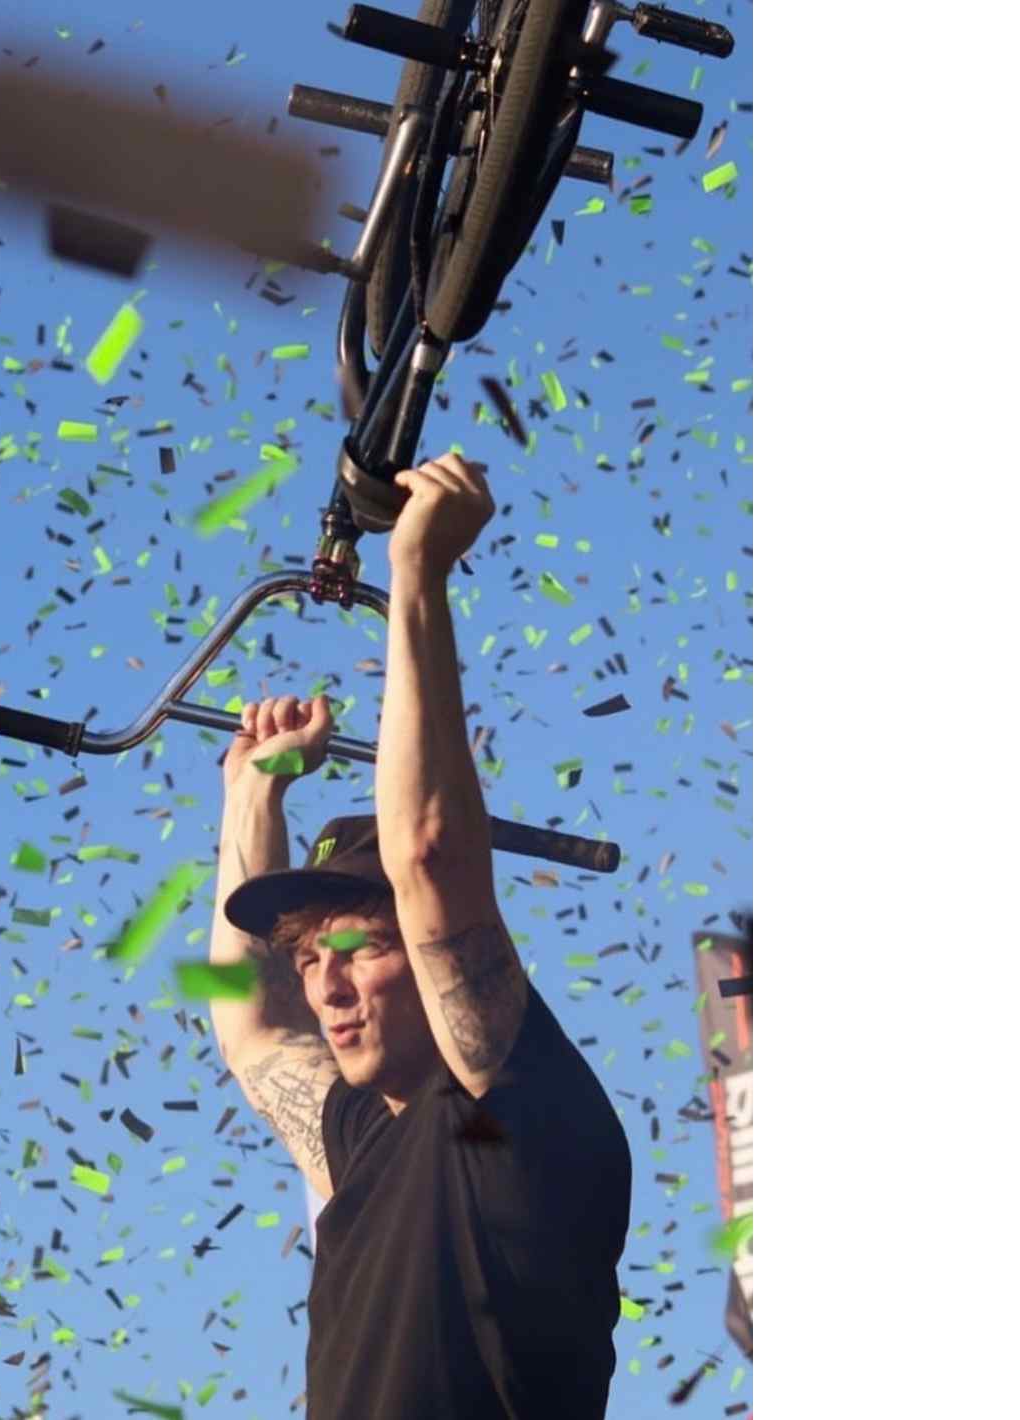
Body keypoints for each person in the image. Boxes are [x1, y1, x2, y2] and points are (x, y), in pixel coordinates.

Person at [204, 453, 633, 1420]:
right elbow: (249, 1031)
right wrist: (253, 793)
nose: (326, 988)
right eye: (308, 960)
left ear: (432, 955)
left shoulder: (513, 1105)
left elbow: (432, 858)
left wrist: (417, 576)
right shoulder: (362, 1139)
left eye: (360, 950)